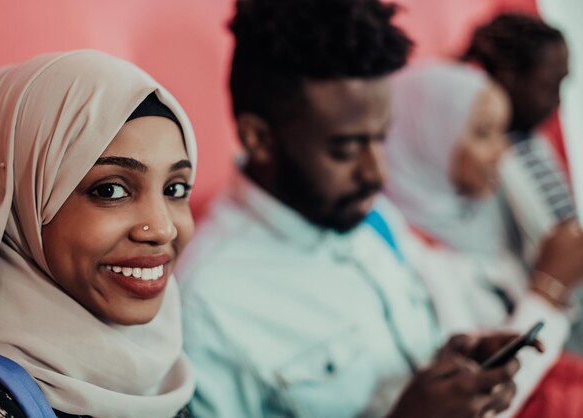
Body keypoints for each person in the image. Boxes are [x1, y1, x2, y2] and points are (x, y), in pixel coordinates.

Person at [177, 1, 524, 417]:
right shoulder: (208, 305)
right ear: (258, 139)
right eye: (345, 148)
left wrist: (451, 362)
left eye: (380, 138)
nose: (377, 172)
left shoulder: (365, 215)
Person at [0, 50, 197, 418]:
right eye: (111, 190)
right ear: (19, 203)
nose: (162, 228)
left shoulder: (165, 365)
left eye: (175, 189)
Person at [383, 60, 583, 415]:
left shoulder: (479, 209)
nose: (501, 152)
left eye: (502, 132)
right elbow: (472, 401)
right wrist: (549, 289)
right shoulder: (406, 252)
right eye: (482, 133)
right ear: (429, 134)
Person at [463, 13, 575, 262]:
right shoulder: (481, 162)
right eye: (547, 85)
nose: (557, 101)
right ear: (508, 76)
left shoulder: (534, 142)